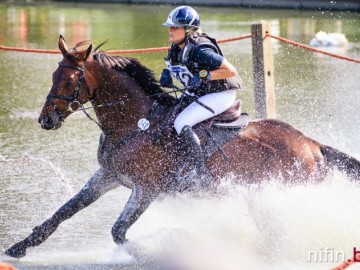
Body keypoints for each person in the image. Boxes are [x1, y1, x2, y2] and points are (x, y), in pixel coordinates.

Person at [160, 6, 244, 186]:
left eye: (175, 27)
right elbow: (182, 70)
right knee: (166, 115)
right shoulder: (176, 48)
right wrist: (167, 74)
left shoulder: (200, 49)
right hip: (201, 92)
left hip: (220, 94)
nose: (170, 30)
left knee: (181, 122)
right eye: (170, 26)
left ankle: (201, 173)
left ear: (188, 30)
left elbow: (230, 70)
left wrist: (205, 75)